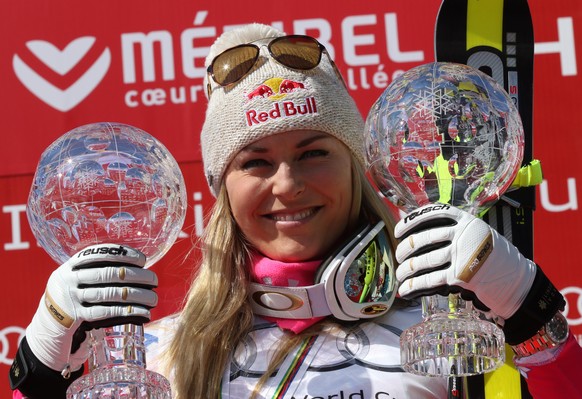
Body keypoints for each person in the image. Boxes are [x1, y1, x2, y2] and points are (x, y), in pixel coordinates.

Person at [10, 23, 582, 399]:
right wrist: (39, 366)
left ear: (357, 164)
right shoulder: (163, 358)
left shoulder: (454, 332)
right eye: (255, 163)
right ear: (223, 189)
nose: (288, 185)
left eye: (313, 153)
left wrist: (528, 312)